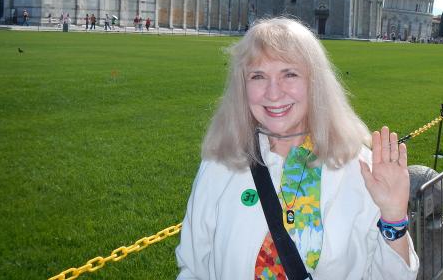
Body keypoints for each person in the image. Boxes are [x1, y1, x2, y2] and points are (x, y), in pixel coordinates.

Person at [176, 17, 418, 279]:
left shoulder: (360, 170)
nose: (273, 93)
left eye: (289, 74)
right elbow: (193, 269)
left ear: (315, 82)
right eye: (258, 76)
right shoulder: (220, 164)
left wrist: (393, 217)